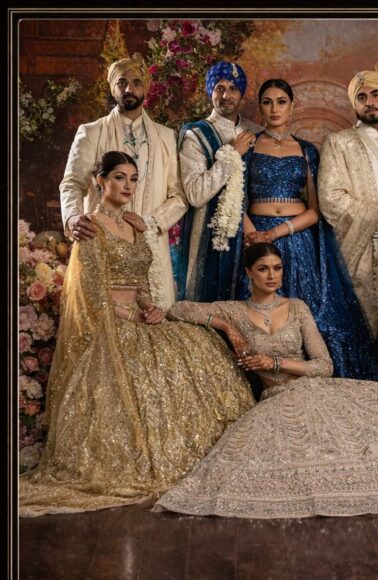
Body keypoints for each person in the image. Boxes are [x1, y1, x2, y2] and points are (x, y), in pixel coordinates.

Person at [154, 243, 378, 518]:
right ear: (248, 273)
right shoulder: (235, 311)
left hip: (315, 388)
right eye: (263, 269)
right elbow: (179, 309)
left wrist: (275, 361)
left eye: (277, 268)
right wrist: (227, 326)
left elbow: (324, 365)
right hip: (276, 400)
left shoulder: (297, 307)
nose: (272, 275)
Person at [20, 152, 255, 517]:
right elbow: (93, 295)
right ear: (100, 181)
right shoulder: (90, 227)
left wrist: (151, 307)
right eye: (119, 178)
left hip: (139, 317)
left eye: (132, 179)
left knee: (201, 344)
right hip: (112, 326)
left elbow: (141, 282)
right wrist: (131, 314)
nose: (127, 186)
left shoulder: (134, 225)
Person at [240, 78, 378, 380]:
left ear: (292, 107)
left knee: (308, 314)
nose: (274, 108)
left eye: (281, 101)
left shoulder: (306, 151)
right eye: (267, 102)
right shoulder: (247, 147)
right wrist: (253, 236)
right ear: (259, 108)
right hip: (255, 240)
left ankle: (307, 381)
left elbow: (316, 211)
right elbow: (234, 199)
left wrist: (276, 233)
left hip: (295, 238)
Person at [59, 54, 187, 309]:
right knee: (102, 321)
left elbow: (179, 196)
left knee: (154, 324)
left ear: (146, 88)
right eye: (122, 82)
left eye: (137, 82)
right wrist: (73, 218)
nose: (130, 89)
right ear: (112, 88)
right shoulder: (92, 132)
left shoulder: (166, 137)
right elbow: (72, 183)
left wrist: (151, 222)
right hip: (102, 244)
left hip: (149, 247)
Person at [318, 60, 378, 341]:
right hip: (360, 251)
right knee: (363, 322)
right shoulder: (339, 142)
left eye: (376, 95)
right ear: (354, 104)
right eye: (361, 97)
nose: (369, 102)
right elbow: (330, 198)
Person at [177, 61, 262, 301]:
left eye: (233, 88)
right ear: (210, 92)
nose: (226, 95)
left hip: (251, 233)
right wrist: (232, 154)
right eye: (219, 88)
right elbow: (195, 194)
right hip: (208, 234)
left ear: (241, 94)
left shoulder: (256, 132)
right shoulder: (195, 134)